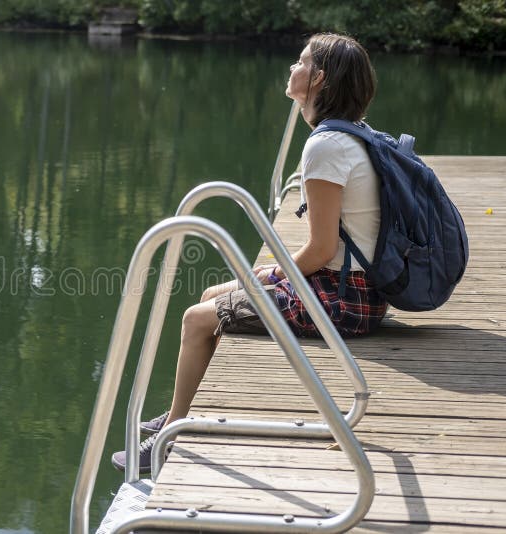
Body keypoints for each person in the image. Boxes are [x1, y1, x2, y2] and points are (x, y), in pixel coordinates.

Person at [111, 33, 389, 473]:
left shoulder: (325, 147)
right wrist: (270, 274)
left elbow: (320, 249)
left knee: (195, 318)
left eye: (300, 62)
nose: (291, 69)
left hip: (345, 301)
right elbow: (328, 249)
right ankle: (180, 410)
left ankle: (172, 437)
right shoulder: (351, 135)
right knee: (210, 295)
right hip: (352, 286)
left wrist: (275, 275)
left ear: (319, 79)